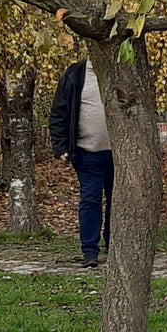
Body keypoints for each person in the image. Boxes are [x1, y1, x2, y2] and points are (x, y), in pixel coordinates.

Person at [48, 58, 113, 267]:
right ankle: (90, 252)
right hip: (87, 152)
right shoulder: (75, 74)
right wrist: (61, 146)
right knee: (90, 199)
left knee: (118, 200)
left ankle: (114, 245)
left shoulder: (119, 70)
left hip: (119, 154)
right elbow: (59, 112)